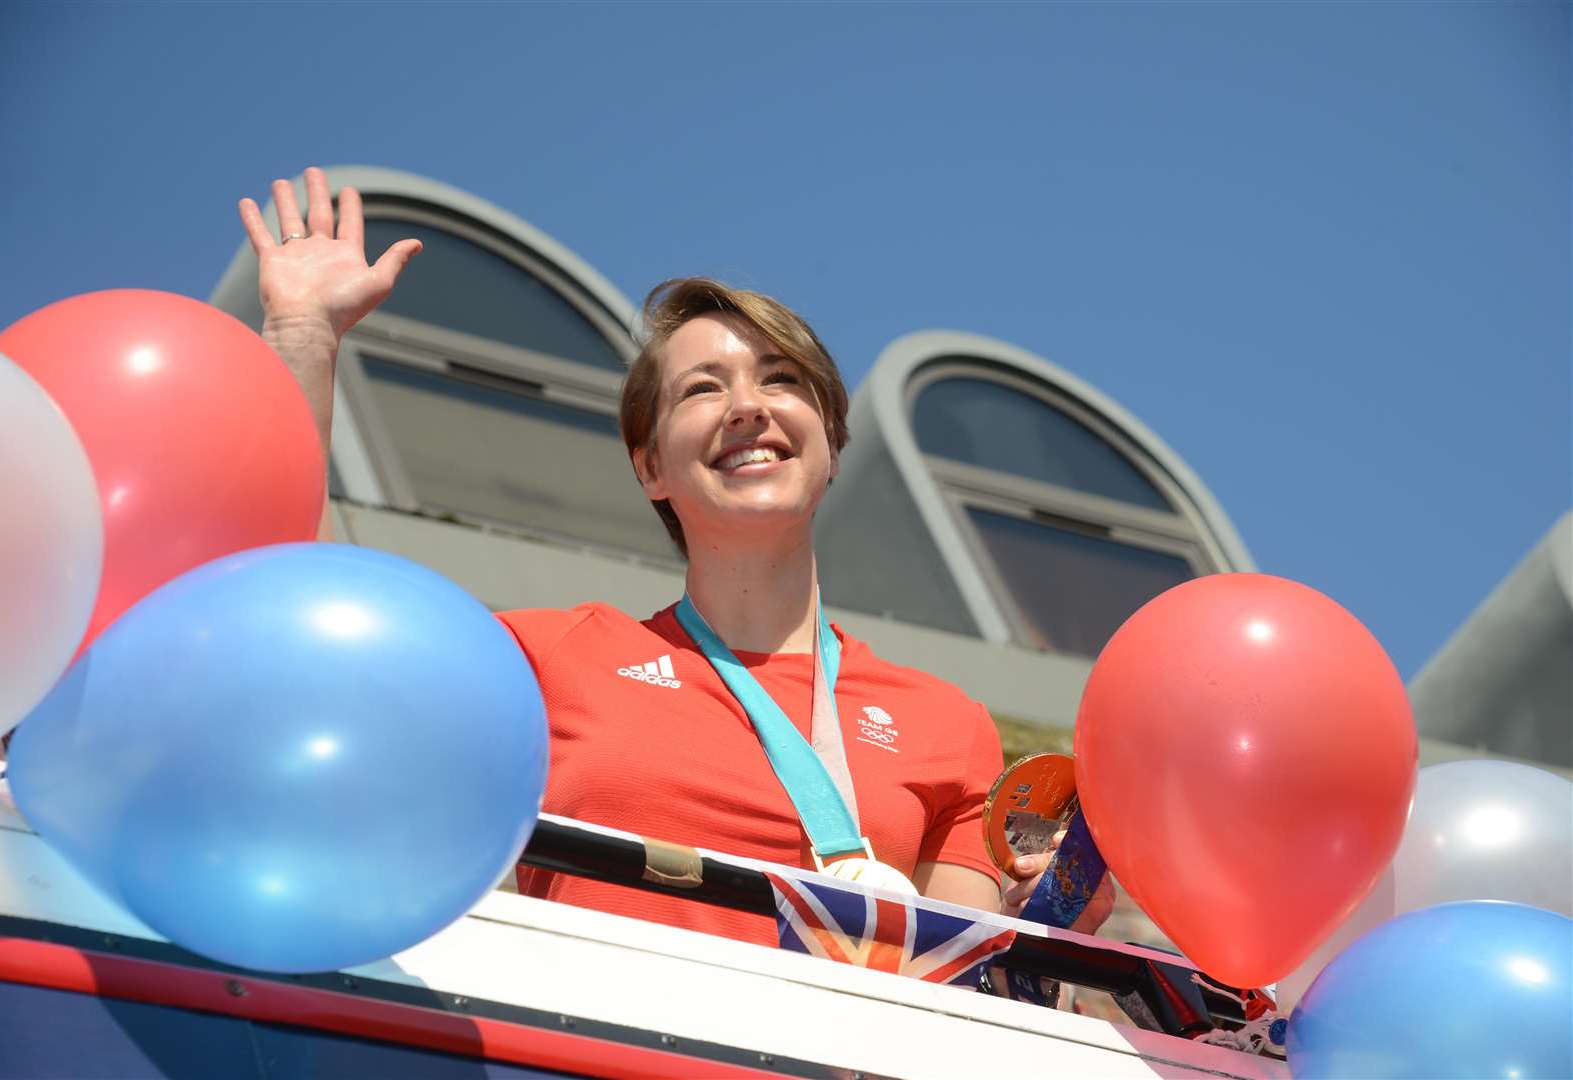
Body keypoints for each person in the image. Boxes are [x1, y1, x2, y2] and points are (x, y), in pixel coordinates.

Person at [239, 167, 1115, 948]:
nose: (747, 407)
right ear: (650, 466)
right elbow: (302, 629)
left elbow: (951, 986)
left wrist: (1048, 914)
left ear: (833, 443)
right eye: (703, 389)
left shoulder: (944, 723)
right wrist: (305, 338)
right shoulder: (552, 660)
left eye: (780, 379)